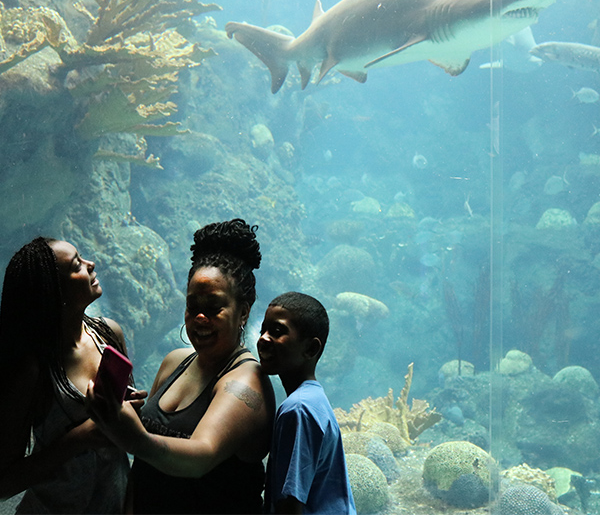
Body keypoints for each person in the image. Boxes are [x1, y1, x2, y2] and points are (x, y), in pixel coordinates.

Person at [87, 218, 275, 514]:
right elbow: (144, 470)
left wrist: (134, 436)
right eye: (192, 307)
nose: (200, 318)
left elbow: (201, 457)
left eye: (214, 308)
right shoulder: (174, 361)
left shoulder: (246, 383)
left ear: (243, 312)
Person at [0, 237, 143, 513]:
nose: (91, 265)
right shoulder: (33, 370)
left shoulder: (109, 334)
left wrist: (129, 410)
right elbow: (4, 483)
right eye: (77, 265)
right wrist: (79, 438)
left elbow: (126, 434)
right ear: (55, 293)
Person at [257, 291, 356, 515]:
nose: (263, 337)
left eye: (277, 331)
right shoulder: (314, 399)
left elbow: (290, 503)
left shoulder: (298, 409)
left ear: (311, 349)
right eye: (263, 329)